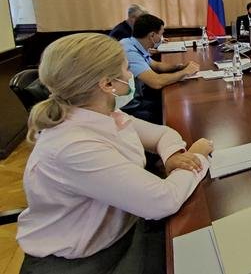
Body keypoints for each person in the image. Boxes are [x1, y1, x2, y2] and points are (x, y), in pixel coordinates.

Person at [16, 33, 213, 274]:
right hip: (85, 260)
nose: (131, 76)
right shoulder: (73, 145)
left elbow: (162, 134)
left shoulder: (99, 113)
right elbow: (163, 201)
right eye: (126, 69)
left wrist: (173, 156)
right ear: (107, 84)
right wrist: (198, 156)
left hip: (121, 227)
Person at [120, 14, 199, 123]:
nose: (162, 38)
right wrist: (185, 72)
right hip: (130, 108)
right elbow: (156, 82)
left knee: (171, 102)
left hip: (138, 98)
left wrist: (180, 67)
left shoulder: (131, 43)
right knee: (173, 113)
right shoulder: (129, 51)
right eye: (161, 34)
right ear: (152, 35)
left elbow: (156, 65)